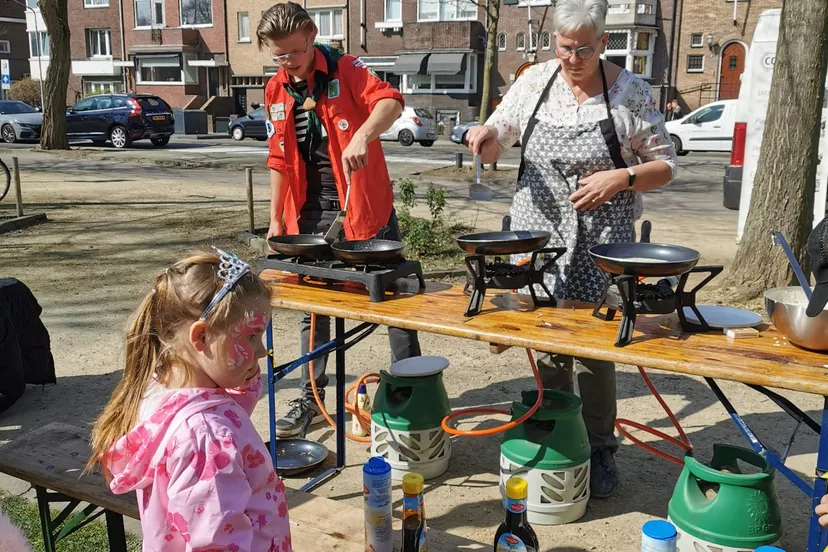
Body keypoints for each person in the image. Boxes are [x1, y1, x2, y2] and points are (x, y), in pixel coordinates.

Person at [466, 0, 677, 498]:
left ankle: (601, 448)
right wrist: (484, 136)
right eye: (565, 48)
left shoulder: (631, 91)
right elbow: (498, 142)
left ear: (603, 42)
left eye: (585, 48)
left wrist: (622, 176)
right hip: (540, 233)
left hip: (603, 239)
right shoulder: (534, 82)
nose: (574, 58)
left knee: (595, 349)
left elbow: (665, 166)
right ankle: (559, 434)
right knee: (545, 336)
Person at [258, 2, 421, 437]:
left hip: (364, 207)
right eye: (279, 56)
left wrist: (364, 135)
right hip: (309, 213)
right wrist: (276, 219)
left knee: (392, 302)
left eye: (293, 52)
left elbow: (389, 101)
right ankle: (310, 398)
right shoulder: (276, 90)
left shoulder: (347, 68)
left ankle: (413, 395)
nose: (288, 63)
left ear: (311, 35)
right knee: (314, 310)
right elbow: (277, 158)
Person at [87, 250, 292, 551]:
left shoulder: (163, 389)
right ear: (201, 338)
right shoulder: (206, 439)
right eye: (252, 337)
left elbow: (224, 411)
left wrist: (244, 376)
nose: (262, 351)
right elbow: (217, 543)